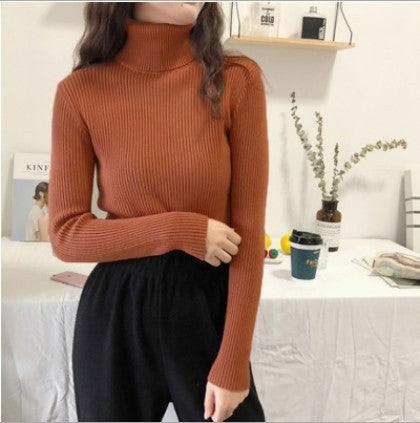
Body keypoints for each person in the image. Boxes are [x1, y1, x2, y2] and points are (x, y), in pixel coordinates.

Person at [48, 2, 269, 422]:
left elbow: (249, 231)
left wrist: (233, 362)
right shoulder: (80, 92)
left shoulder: (236, 79)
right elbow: (65, 234)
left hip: (208, 309)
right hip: (117, 315)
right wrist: (178, 229)